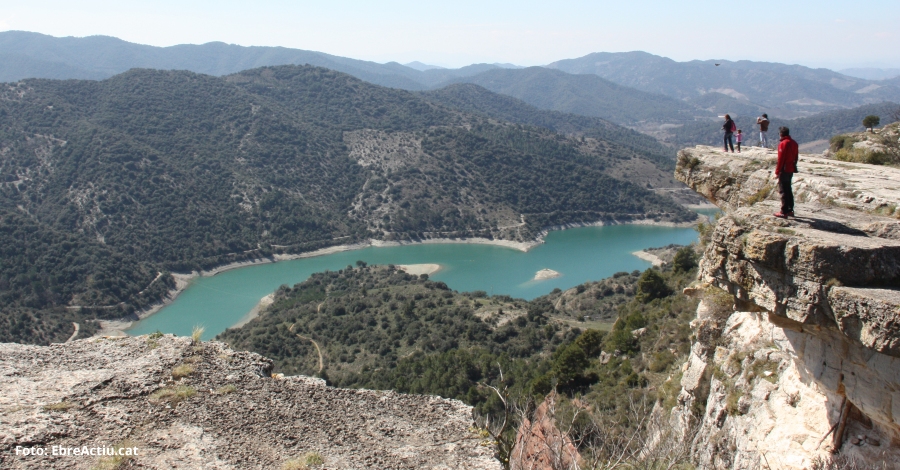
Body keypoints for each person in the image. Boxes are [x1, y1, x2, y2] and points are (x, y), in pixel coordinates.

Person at [773, 126, 798, 218]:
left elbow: (781, 159)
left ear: (781, 134)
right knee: (788, 190)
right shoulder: (794, 143)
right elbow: (796, 157)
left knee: (783, 190)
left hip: (784, 169)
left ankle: (783, 211)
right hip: (791, 169)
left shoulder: (783, 144)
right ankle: (790, 209)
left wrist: (777, 171)